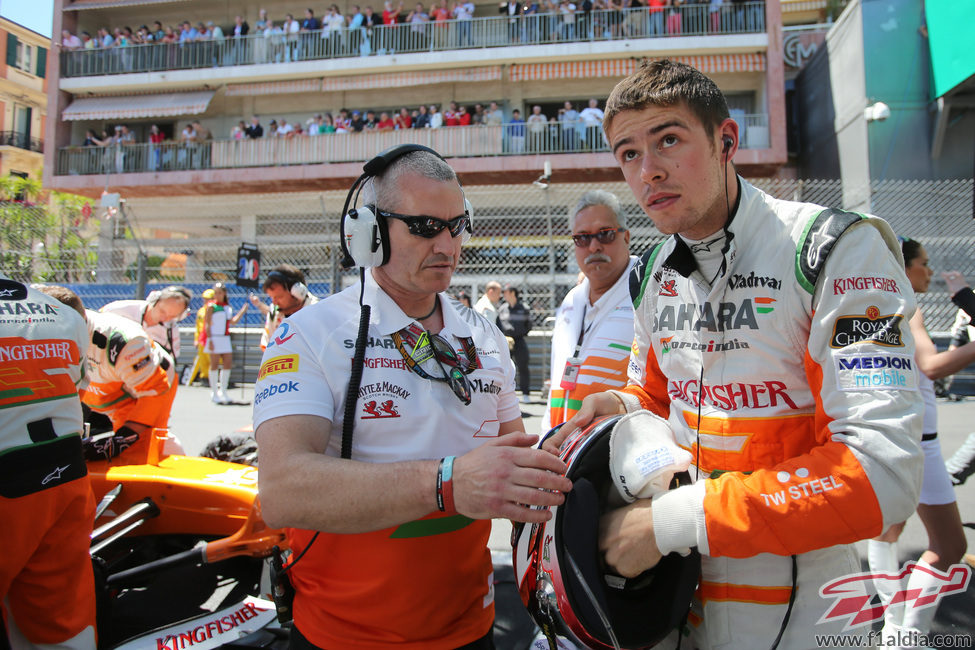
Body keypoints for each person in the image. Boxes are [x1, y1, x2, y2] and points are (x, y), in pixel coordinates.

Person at [542, 59, 923, 648]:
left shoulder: (833, 251)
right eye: (629, 154)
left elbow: (882, 471)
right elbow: (658, 394)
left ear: (726, 141)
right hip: (675, 596)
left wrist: (668, 523)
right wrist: (614, 403)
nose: (650, 171)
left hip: (806, 613)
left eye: (668, 139)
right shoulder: (648, 276)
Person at [252, 146, 571, 649]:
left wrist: (601, 427)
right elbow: (281, 491)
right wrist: (446, 484)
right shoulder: (309, 334)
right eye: (424, 226)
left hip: (471, 630)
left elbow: (518, 468)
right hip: (341, 637)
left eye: (457, 225)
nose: (447, 243)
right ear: (370, 234)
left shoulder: (484, 336)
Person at [865, 238, 971, 645]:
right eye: (924, 264)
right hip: (917, 444)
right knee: (949, 547)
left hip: (891, 438)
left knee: (887, 532)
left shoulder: (873, 304)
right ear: (906, 267)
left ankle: (895, 626)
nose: (930, 271)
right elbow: (930, 366)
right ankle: (910, 634)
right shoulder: (905, 306)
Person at [1, 280, 96, 650]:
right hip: (65, 479)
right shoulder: (58, 310)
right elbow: (78, 391)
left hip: (9, 487)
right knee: (61, 622)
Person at [542, 190, 636, 433]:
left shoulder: (648, 293)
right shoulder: (571, 302)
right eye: (582, 238)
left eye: (604, 234)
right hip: (561, 451)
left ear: (626, 237)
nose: (594, 246)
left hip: (620, 453)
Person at [81, 307, 179, 463]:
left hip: (145, 385)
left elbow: (152, 391)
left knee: (139, 453)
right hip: (105, 385)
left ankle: (177, 466)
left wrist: (124, 438)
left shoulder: (125, 341)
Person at [101, 285, 192, 360]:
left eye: (172, 316)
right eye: (162, 311)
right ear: (154, 300)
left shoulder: (171, 330)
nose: (165, 318)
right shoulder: (120, 309)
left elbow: (171, 359)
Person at [254, 264, 319, 351]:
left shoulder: (316, 312)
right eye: (272, 297)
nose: (274, 302)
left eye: (279, 297)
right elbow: (266, 347)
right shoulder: (274, 312)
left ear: (297, 292)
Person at [204, 283, 249, 404]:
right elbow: (207, 324)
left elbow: (233, 322)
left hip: (225, 338)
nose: (217, 295)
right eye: (216, 293)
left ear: (224, 293)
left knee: (227, 363)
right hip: (214, 338)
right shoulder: (211, 306)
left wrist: (243, 311)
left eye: (219, 292)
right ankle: (213, 391)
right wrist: (210, 340)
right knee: (214, 364)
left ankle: (223, 390)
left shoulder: (227, 307)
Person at [498, 284, 532, 402]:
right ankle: (505, 394)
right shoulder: (502, 308)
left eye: (505, 292)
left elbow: (529, 325)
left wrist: (520, 333)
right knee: (504, 368)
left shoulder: (524, 308)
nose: (503, 295)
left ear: (512, 293)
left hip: (519, 340)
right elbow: (498, 325)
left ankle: (525, 393)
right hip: (506, 341)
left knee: (523, 366)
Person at [187, 287, 216, 385]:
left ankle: (213, 377)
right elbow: (197, 326)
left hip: (212, 338)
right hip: (202, 339)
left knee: (212, 359)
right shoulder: (201, 311)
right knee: (202, 359)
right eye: (205, 298)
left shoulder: (215, 310)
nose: (205, 301)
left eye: (208, 298)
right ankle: (204, 377)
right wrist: (196, 339)